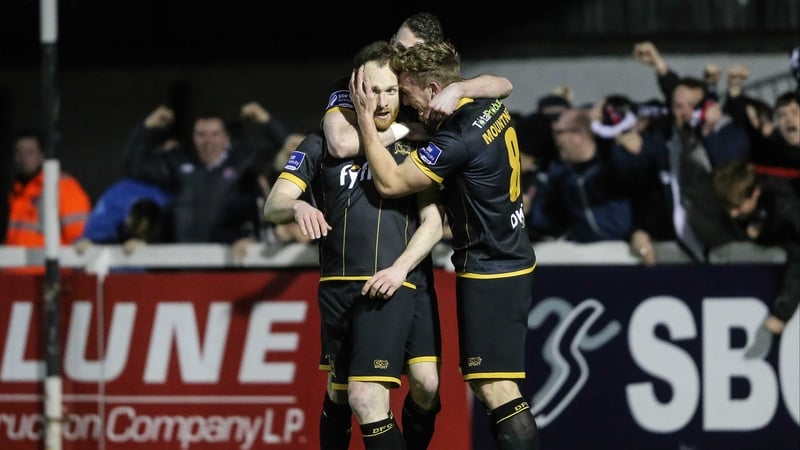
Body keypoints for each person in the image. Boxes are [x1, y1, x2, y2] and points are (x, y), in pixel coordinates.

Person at [350, 40, 540, 449]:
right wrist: (456, 92)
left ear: (434, 90)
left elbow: (390, 182)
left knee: (498, 391)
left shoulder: (456, 139)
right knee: (494, 389)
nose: (406, 101)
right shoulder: (481, 102)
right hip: (510, 253)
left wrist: (366, 120)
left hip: (491, 265)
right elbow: (502, 83)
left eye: (409, 92)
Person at [264, 41, 444, 450]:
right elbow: (273, 204)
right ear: (355, 89)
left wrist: (399, 270)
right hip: (335, 290)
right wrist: (296, 207)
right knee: (340, 393)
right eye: (372, 90)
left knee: (371, 395)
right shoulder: (320, 145)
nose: (380, 101)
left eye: (390, 90)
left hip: (387, 286)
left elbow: (434, 220)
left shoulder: (414, 147)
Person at [323, 12, 513, 159]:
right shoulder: (357, 84)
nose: (402, 59)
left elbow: (504, 85)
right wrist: (405, 130)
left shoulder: (431, 90)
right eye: (399, 49)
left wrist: (458, 89)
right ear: (391, 42)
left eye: (413, 53)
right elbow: (341, 144)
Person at [124, 102, 289, 255]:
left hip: (227, 258)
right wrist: (147, 128)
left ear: (226, 138)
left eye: (214, 134)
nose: (208, 141)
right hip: (181, 258)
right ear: (193, 138)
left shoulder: (242, 162)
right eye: (201, 135)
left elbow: (292, 153)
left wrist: (266, 121)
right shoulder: (178, 162)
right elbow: (134, 166)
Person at [712, 160, 800, 356]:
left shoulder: (783, 203)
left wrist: (782, 313)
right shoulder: (746, 196)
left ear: (755, 194)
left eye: (737, 207)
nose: (733, 214)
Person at [5, 129, 91, 252]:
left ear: (41, 156)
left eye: (29, 152)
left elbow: (79, 238)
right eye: (18, 152)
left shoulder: (62, 185)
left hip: (48, 268)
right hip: (13, 268)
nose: (23, 158)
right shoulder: (14, 190)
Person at [73, 176, 173, 255]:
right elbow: (109, 242)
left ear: (145, 222)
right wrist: (90, 244)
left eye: (132, 216)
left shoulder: (169, 237)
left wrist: (145, 247)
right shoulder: (121, 233)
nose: (126, 219)